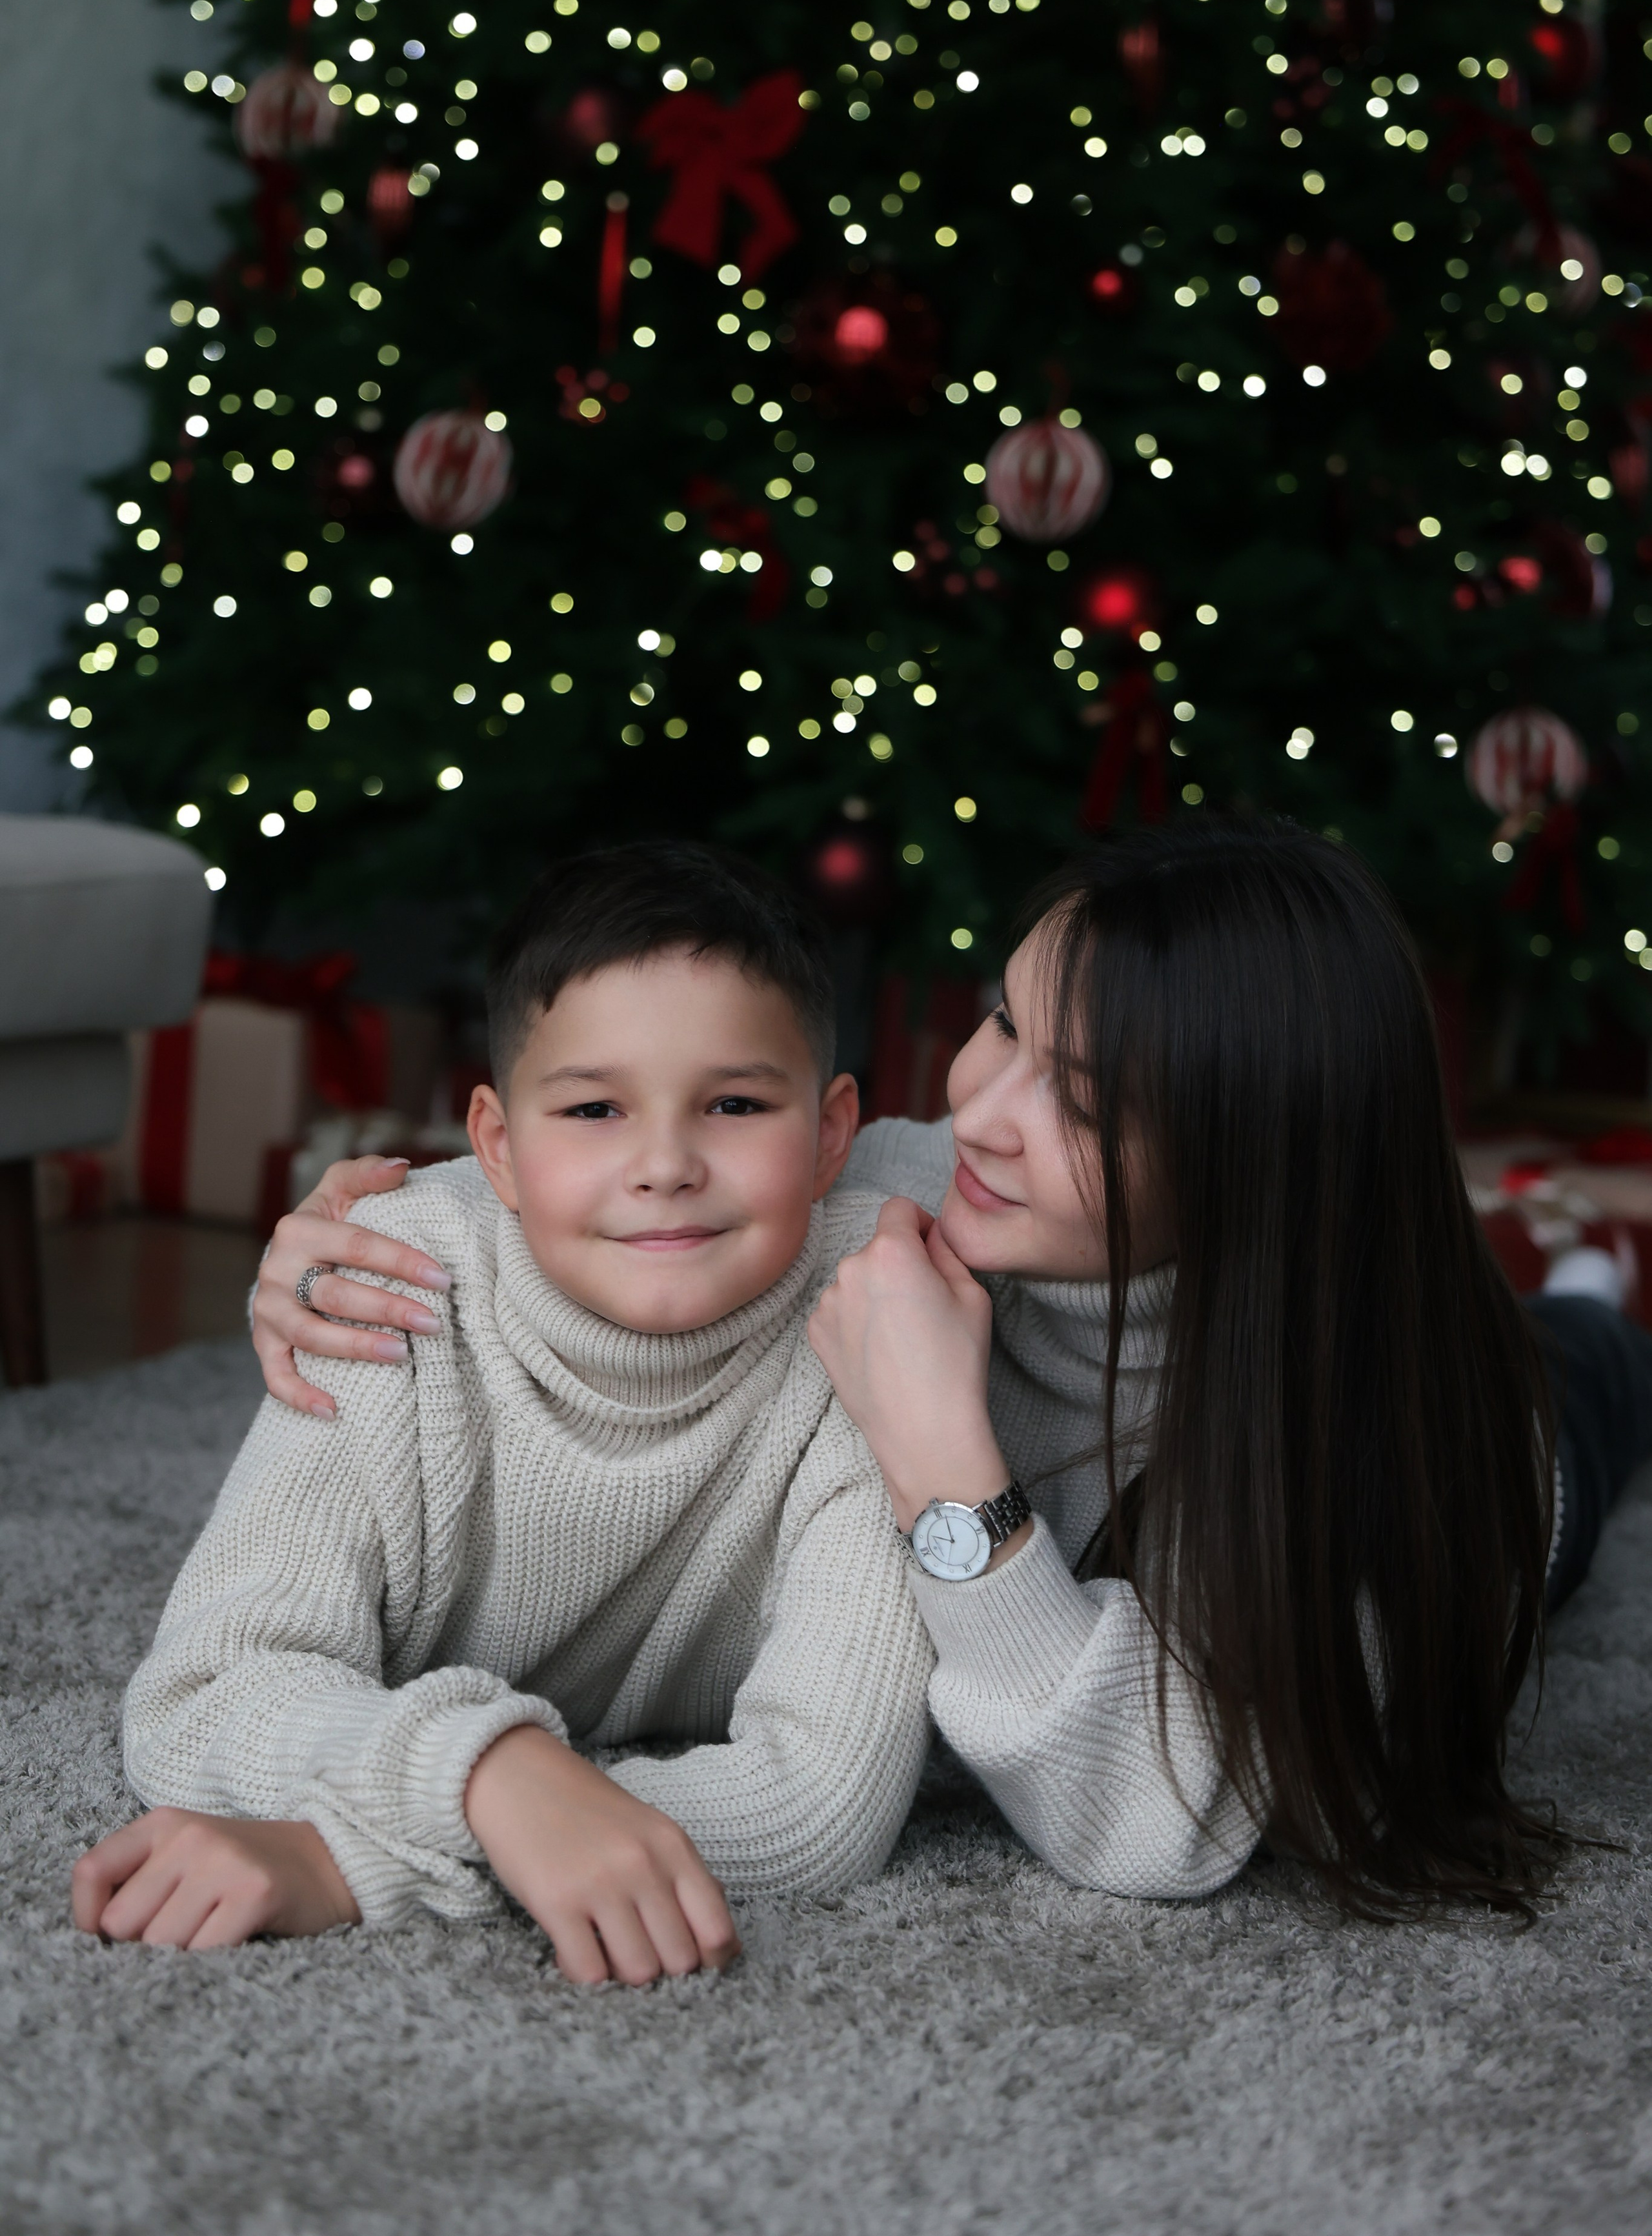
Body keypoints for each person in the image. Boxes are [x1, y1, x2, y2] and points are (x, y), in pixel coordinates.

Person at [261, 821, 1652, 1917]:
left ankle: (1591, 1306)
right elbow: (623, 1166)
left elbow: (1161, 1823)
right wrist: (371, 1235)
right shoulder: (904, 1187)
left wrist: (942, 1457)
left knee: (1589, 1383)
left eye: (1085, 1101)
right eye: (1000, 1023)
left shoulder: (1382, 1454)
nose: (975, 1114)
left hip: (1496, 1438)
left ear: (1246, 1164)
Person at [72, 843, 933, 1979]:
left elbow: (821, 1806)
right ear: (497, 1148)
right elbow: (203, 1695)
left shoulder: (880, 1318)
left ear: (829, 1136)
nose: (664, 1163)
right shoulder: (388, 1282)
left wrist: (352, 1856)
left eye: (733, 1103)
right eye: (591, 1108)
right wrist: (493, 1775)